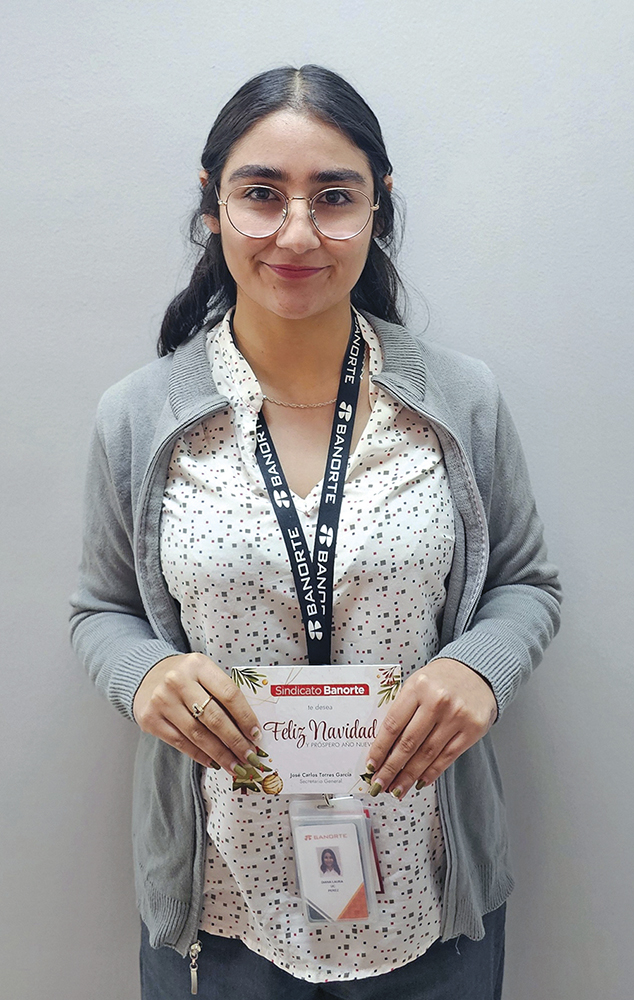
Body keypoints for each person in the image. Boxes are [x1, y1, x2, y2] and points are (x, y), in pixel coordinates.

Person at [70, 65, 561, 1000]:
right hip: (222, 908)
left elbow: (525, 583)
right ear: (212, 207)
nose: (296, 233)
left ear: (378, 208)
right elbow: (101, 608)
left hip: (429, 893)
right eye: (261, 194)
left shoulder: (460, 400)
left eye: (334, 197)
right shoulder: (139, 416)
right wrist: (144, 675)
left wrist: (479, 669)